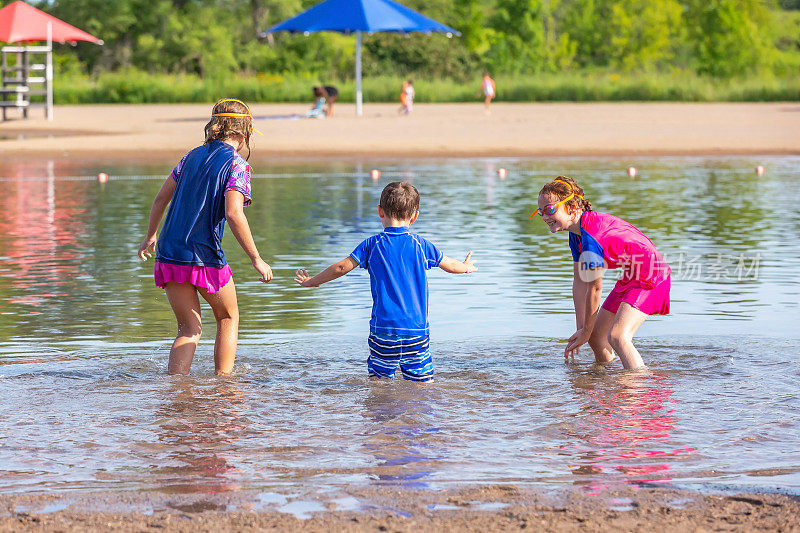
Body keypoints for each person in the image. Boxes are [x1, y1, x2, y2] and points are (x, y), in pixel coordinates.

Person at [138, 98, 273, 375]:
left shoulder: (190, 156)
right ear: (245, 131)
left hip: (169, 251)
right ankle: (224, 385)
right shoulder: (237, 165)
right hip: (204, 254)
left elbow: (160, 198)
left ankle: (176, 390)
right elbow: (234, 214)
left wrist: (151, 235)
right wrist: (256, 259)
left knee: (189, 329)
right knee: (227, 316)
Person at [294, 181, 476, 382]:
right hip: (416, 329)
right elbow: (450, 265)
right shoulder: (421, 245)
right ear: (415, 216)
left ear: (380, 211)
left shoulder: (371, 245)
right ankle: (419, 413)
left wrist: (313, 281)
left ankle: (380, 411)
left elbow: (341, 267)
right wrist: (466, 266)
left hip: (384, 330)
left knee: (379, 382)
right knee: (422, 383)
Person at [532, 176, 670, 370]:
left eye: (549, 209)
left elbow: (595, 289)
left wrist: (586, 330)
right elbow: (580, 282)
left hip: (653, 275)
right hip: (631, 276)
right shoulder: (575, 234)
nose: (545, 217)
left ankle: (639, 389)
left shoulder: (591, 237)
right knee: (596, 338)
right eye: (540, 212)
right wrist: (582, 330)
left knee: (618, 336)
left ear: (571, 208)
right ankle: (605, 383)